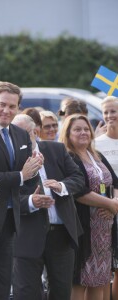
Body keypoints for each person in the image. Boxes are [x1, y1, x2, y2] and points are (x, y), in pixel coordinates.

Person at [0, 81, 43, 300]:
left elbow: (26, 180)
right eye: (2, 104)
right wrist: (22, 175)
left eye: (12, 107)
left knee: (4, 280)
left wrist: (33, 171)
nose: (7, 110)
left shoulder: (21, 135)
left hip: (11, 217)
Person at [12, 114, 85, 300]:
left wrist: (61, 186)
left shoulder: (56, 149)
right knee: (26, 293)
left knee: (61, 291)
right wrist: (30, 202)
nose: (17, 139)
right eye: (13, 134)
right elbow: (5, 196)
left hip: (61, 234)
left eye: (22, 134)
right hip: (27, 235)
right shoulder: (10, 158)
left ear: (35, 132)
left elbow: (78, 178)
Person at [59, 114, 118, 300]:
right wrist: (109, 204)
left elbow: (115, 183)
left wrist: (114, 202)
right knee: (80, 280)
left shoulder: (96, 155)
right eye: (77, 129)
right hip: (84, 229)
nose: (83, 132)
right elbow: (78, 191)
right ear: (68, 134)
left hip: (105, 229)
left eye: (86, 129)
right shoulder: (68, 157)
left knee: (100, 280)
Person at [95, 96, 118, 299]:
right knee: (108, 267)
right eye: (106, 112)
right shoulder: (97, 144)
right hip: (107, 210)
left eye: (114, 111)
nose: (110, 116)